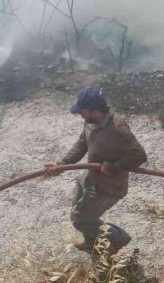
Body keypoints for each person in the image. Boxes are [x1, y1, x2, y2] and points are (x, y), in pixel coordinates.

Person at [45, 86, 148, 255]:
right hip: (91, 176)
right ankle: (91, 241)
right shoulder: (90, 122)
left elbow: (139, 156)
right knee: (78, 202)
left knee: (80, 219)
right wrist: (62, 164)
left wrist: (113, 167)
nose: (80, 114)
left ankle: (118, 238)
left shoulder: (117, 127)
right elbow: (82, 144)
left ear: (93, 110)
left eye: (82, 111)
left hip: (108, 186)